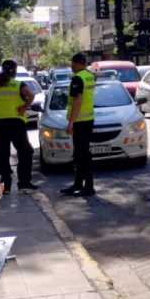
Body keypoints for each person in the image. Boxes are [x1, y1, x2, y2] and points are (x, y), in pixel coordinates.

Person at [0, 60, 37, 195]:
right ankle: (24, 183)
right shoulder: (18, 84)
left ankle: (6, 185)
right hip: (16, 122)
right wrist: (24, 107)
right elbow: (31, 95)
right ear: (14, 71)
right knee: (25, 152)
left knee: (3, 154)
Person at [61, 53, 96, 197]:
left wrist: (71, 123)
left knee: (82, 155)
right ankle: (78, 184)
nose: (71, 66)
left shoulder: (78, 78)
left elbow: (78, 101)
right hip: (88, 119)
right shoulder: (89, 75)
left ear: (77, 63)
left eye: (72, 63)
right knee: (80, 154)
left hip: (80, 121)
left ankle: (88, 188)